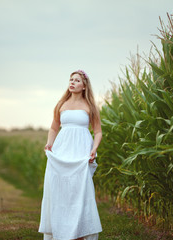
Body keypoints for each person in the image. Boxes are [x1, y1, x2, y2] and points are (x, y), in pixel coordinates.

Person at [38, 70, 102, 240]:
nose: (72, 82)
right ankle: (60, 231)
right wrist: (50, 143)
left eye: (77, 80)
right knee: (61, 191)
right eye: (71, 79)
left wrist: (94, 149)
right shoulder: (61, 104)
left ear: (84, 86)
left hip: (81, 154)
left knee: (80, 192)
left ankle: (79, 233)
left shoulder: (90, 107)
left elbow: (98, 132)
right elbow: (54, 127)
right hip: (62, 152)